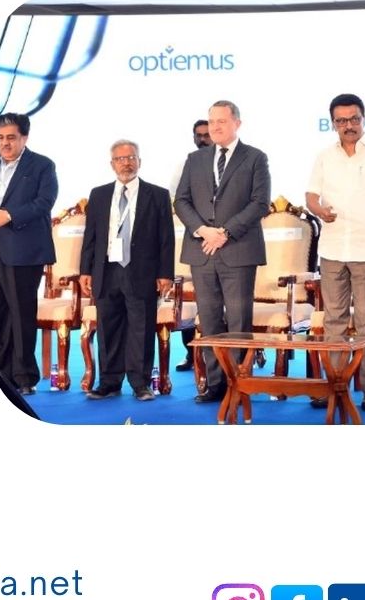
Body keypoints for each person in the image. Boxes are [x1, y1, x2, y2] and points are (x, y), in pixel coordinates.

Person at [305, 94, 365, 410]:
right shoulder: (324, 157)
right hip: (332, 249)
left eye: (354, 119)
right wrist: (319, 210)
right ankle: (336, 386)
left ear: (363, 119)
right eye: (342, 121)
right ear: (333, 123)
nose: (349, 125)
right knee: (333, 321)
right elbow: (311, 196)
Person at [173, 100, 272, 404]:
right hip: (202, 249)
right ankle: (215, 384)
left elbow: (259, 203)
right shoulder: (195, 159)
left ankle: (238, 382)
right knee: (210, 320)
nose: (215, 127)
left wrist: (225, 233)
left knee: (239, 321)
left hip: (238, 250)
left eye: (222, 121)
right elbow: (181, 201)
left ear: (236, 124)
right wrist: (203, 230)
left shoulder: (255, 157)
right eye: (212, 121)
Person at [78, 141, 176, 401]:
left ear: (139, 162)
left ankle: (140, 383)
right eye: (120, 159)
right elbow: (91, 236)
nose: (126, 163)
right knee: (108, 328)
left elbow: (166, 238)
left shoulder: (157, 194)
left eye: (131, 157)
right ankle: (109, 382)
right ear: (112, 164)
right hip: (106, 269)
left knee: (141, 328)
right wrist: (85, 270)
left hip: (141, 270)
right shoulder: (99, 194)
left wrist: (165, 273)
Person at [0, 112, 58, 395]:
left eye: (11, 137)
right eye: (0, 138)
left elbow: (44, 202)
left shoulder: (42, 165)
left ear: (24, 138)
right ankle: (0, 372)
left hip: (23, 251)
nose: (5, 143)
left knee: (20, 314)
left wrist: (9, 215)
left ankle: (24, 377)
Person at [171, 118, 211, 375]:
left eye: (207, 134)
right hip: (196, 239)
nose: (203, 139)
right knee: (190, 296)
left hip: (226, 241)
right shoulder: (186, 164)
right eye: (199, 135)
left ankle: (228, 357)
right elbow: (177, 199)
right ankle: (192, 353)